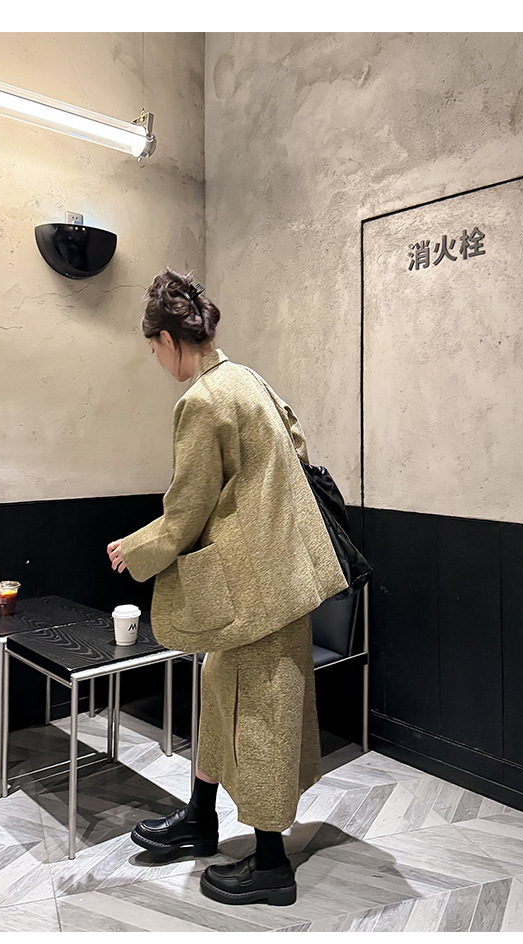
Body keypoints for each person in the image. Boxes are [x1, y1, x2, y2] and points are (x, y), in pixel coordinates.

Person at [107, 268, 346, 906]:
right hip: (280, 575)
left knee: (258, 716)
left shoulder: (203, 401)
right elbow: (297, 444)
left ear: (167, 339)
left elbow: (186, 510)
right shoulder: (247, 379)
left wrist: (134, 548)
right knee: (224, 697)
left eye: (153, 348)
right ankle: (200, 817)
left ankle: (270, 866)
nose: (156, 360)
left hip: (255, 591)